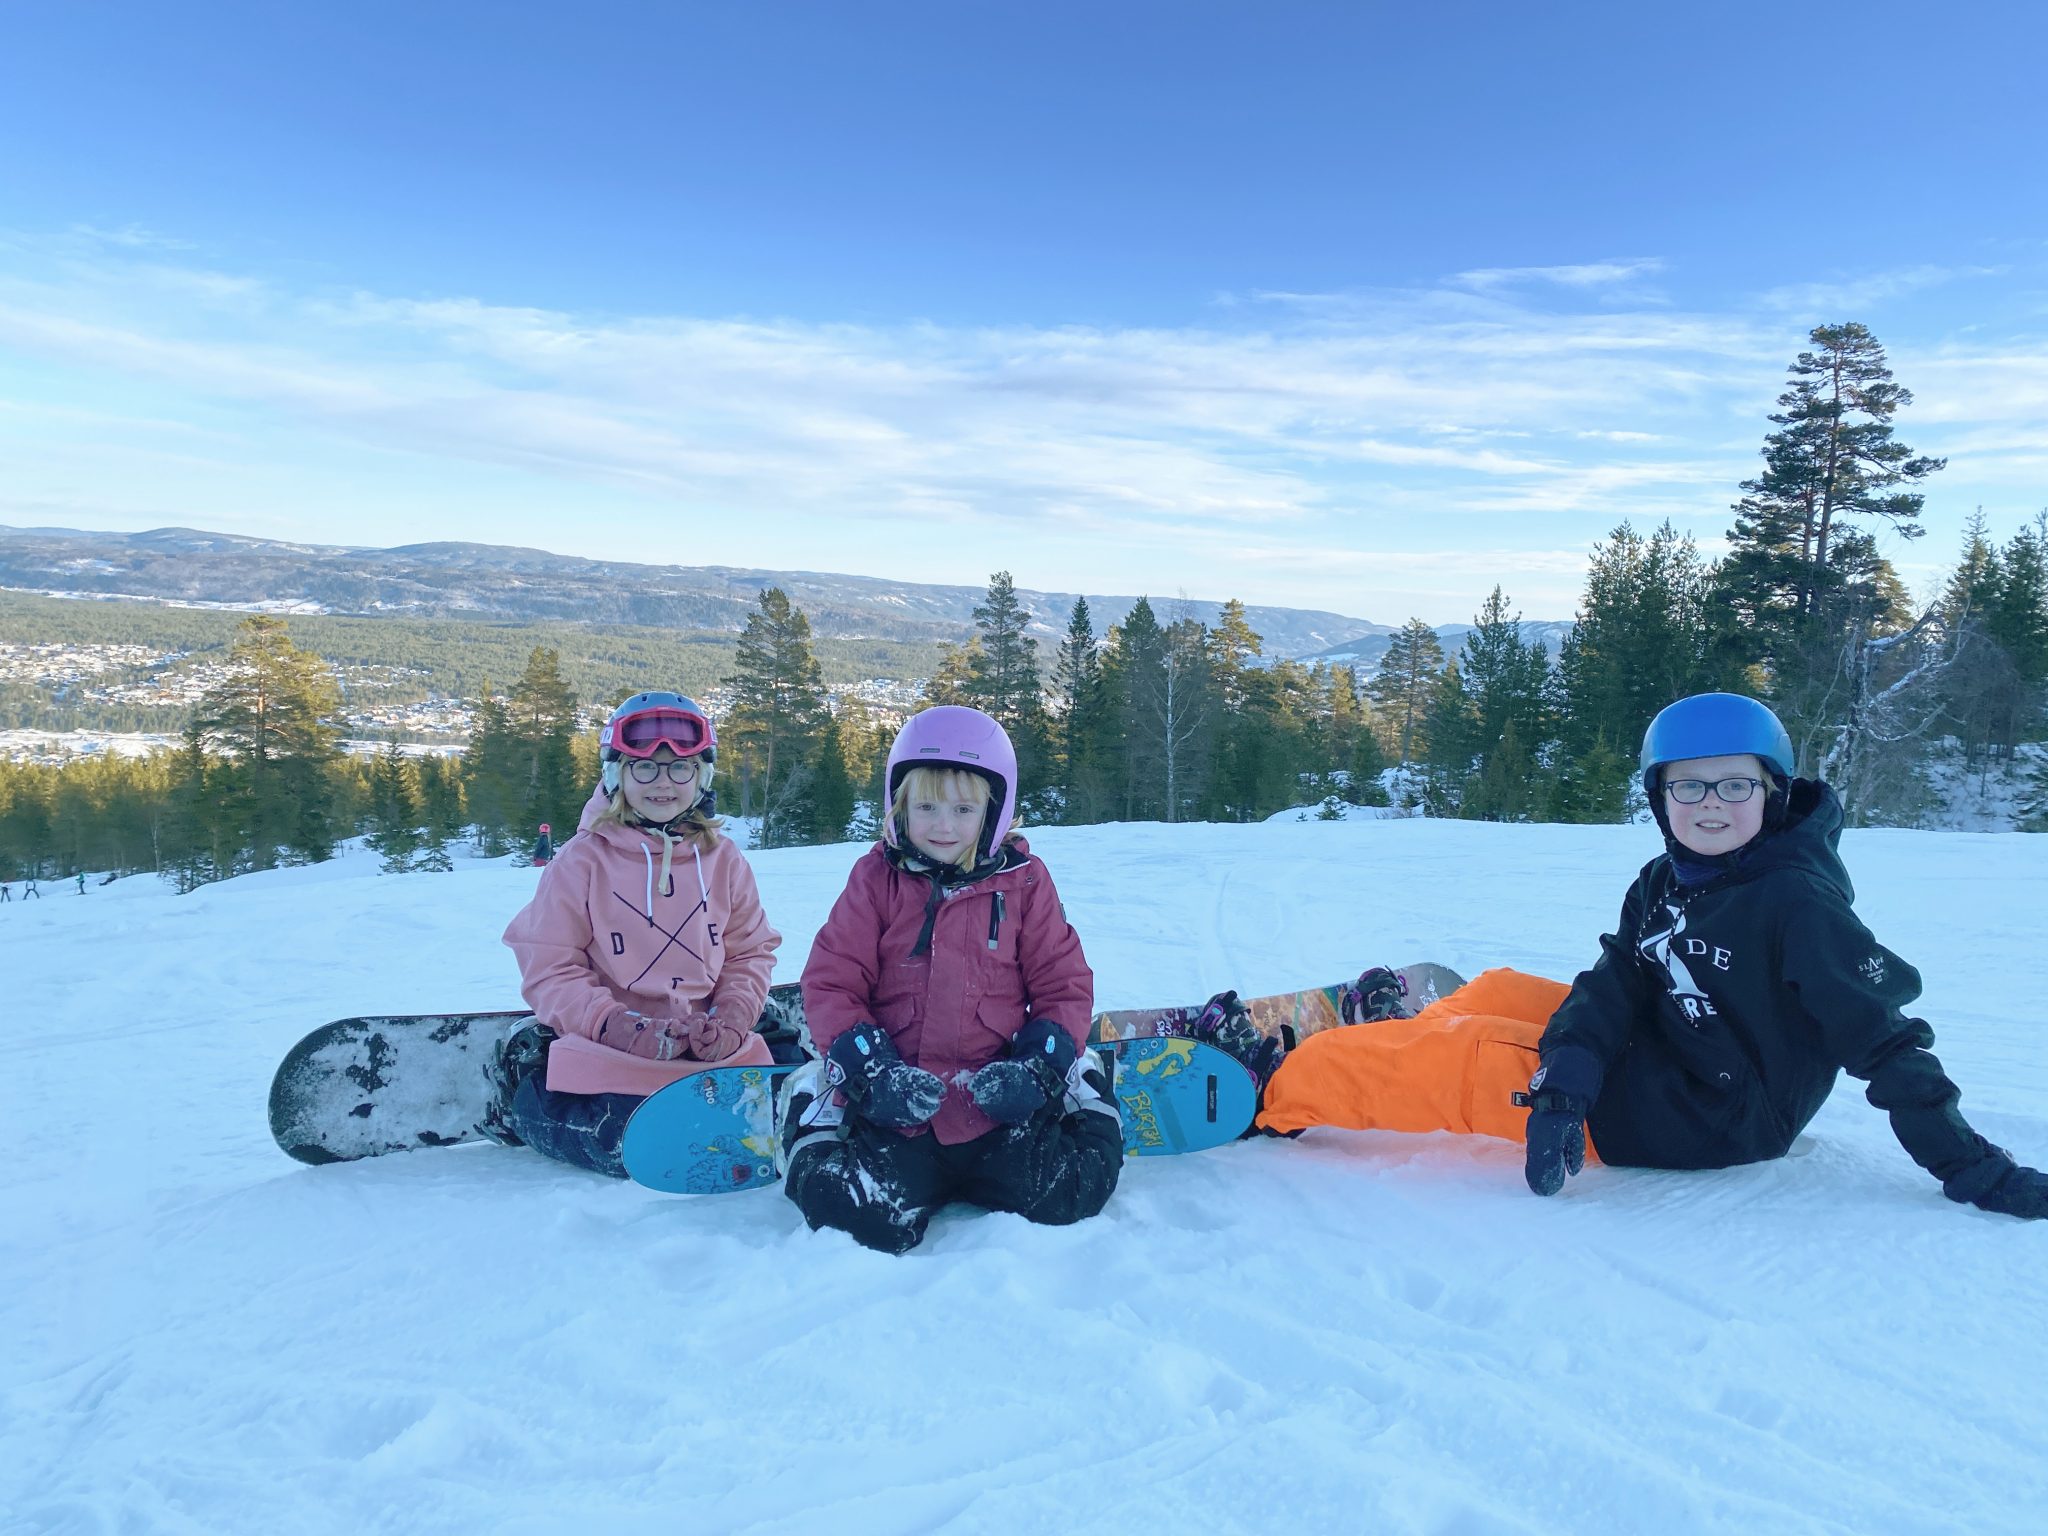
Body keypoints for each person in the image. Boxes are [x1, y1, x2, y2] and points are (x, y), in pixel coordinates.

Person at [1258, 692, 2048, 1220]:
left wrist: (1972, 1167)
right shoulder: (1667, 877)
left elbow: (1885, 1040)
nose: (1711, 806)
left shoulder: (1796, 904)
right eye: (1688, 788)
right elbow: (1622, 976)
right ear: (1660, 798)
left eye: (1734, 787)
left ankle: (1272, 1087)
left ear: (1770, 793)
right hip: (1675, 1054)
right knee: (1502, 990)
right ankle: (1384, 1042)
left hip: (1710, 1117)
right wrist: (1565, 1082)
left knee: (1473, 1053)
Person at [781, 704, 1120, 1253]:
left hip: (996, 1100)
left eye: (964, 809)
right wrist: (871, 1074)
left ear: (994, 811)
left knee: (1068, 1194)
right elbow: (832, 981)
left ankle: (1085, 1090)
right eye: (927, 806)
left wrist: (1038, 1070)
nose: (943, 825)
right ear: (900, 806)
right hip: (898, 1100)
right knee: (849, 1215)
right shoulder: (876, 880)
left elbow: (1063, 983)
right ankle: (812, 1108)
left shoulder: (1025, 885)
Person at [496, 691, 781, 1176]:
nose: (663, 783)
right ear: (617, 775)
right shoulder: (581, 861)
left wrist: (733, 1017)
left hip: (708, 1043)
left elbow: (749, 952)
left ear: (701, 776)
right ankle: (526, 1077)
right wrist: (616, 1026)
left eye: (680, 768)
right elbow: (549, 963)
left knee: (791, 1100)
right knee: (622, 1134)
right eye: (645, 768)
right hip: (611, 1049)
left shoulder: (724, 860)